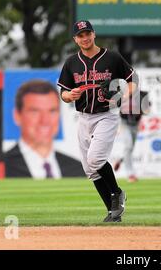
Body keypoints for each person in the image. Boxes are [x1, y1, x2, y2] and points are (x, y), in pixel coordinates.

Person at [57, 20, 138, 223]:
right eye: (80, 35)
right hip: (84, 116)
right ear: (75, 39)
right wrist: (69, 95)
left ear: (94, 34)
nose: (84, 38)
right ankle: (113, 213)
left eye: (87, 34)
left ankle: (117, 193)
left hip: (106, 114)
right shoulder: (71, 62)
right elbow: (63, 93)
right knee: (90, 170)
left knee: (95, 159)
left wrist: (122, 97)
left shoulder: (111, 57)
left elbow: (132, 82)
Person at [4, 80, 85, 178]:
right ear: (17, 115)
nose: (45, 121)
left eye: (52, 111)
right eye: (35, 111)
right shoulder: (2, 166)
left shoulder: (77, 168)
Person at [112, 90, 151, 183]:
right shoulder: (122, 94)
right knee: (128, 146)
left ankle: (120, 159)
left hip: (135, 124)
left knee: (130, 148)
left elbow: (147, 110)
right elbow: (115, 108)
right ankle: (130, 174)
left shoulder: (142, 94)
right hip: (124, 124)